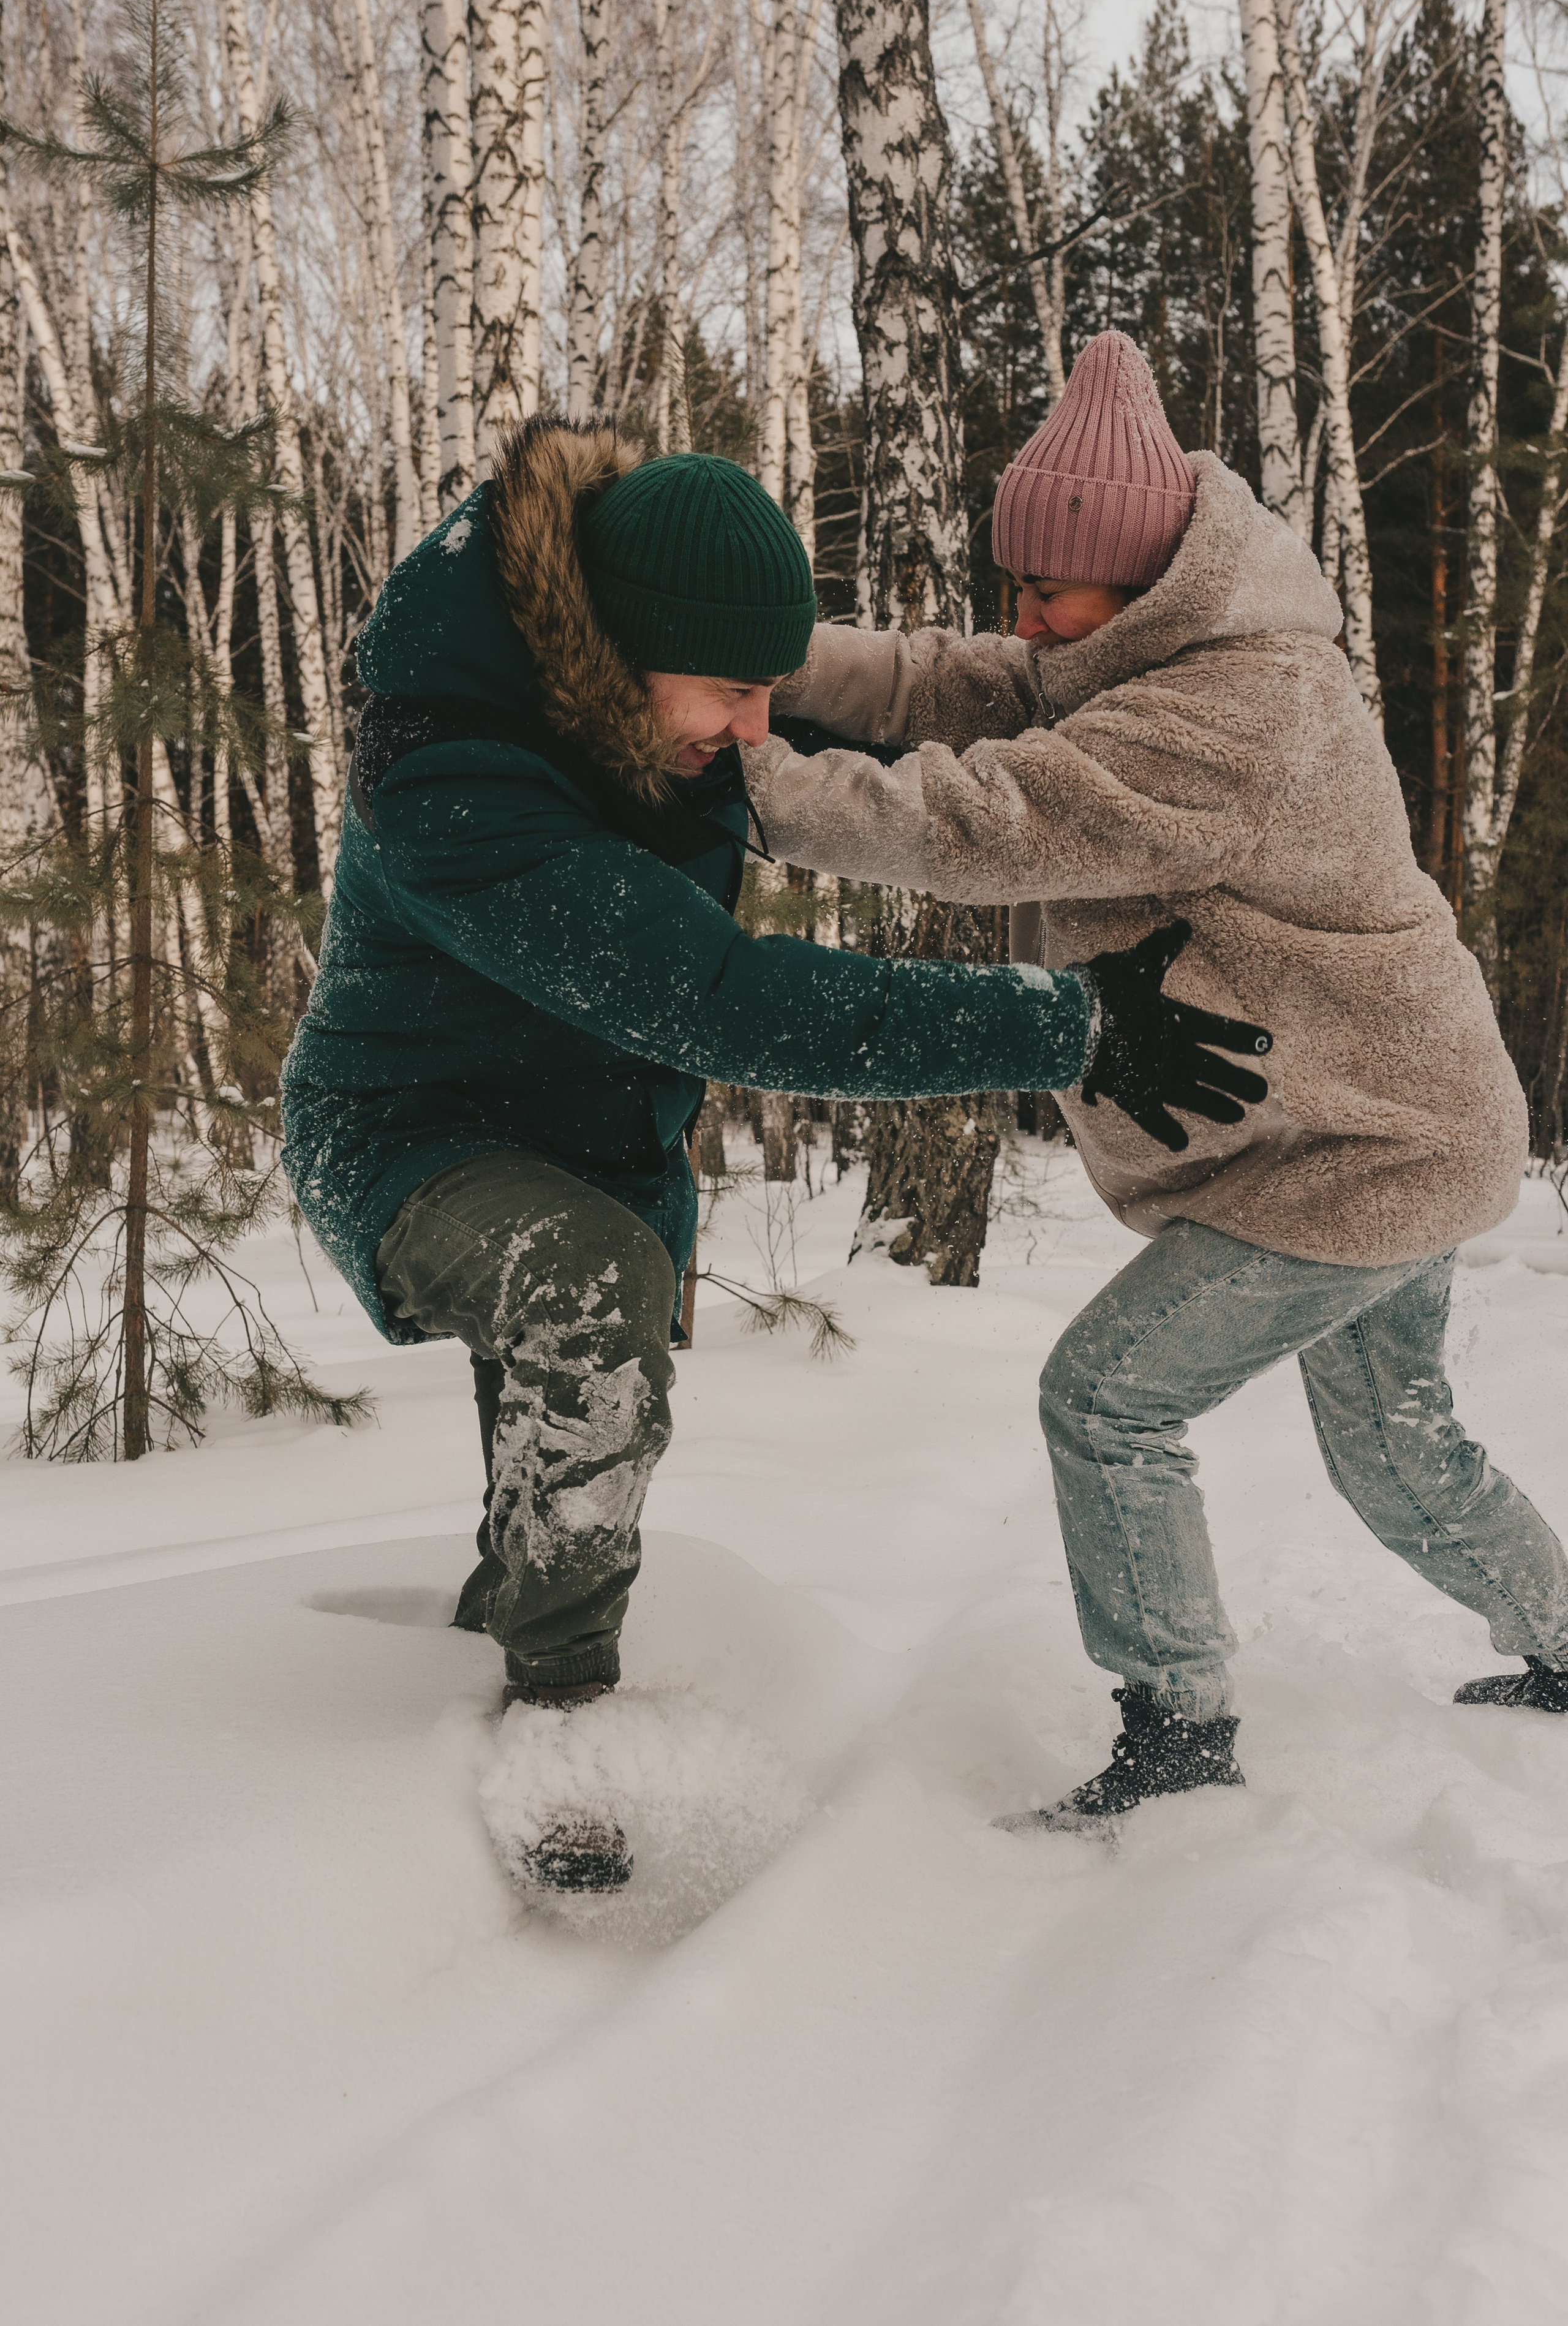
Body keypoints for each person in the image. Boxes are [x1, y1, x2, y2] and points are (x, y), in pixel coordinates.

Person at [281, 416, 1270, 1889]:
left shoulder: (654, 694)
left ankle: (503, 1628)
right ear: (616, 657)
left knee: (569, 1438)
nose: (758, 728)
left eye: (770, 690)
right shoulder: (447, 775)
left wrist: (1159, 683)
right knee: (584, 1291)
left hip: (597, 1133)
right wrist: (1060, 1026)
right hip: (411, 1133)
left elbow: (924, 716)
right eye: (736, 692)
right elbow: (721, 997)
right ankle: (562, 1724)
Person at [752, 331, 1568, 1832]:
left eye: (1051, 590)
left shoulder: (1237, 707)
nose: (1026, 621)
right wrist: (778, 661)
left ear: (1142, 582)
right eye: (1023, 590)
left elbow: (1001, 817)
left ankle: (1177, 1733)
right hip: (1388, 1119)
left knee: (1108, 1399)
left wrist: (753, 781)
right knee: (1398, 1447)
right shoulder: (1130, 653)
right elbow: (965, 680)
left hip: (1365, 1149)